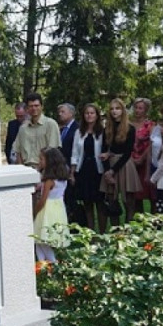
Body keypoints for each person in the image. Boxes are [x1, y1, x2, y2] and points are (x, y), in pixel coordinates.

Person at [100, 99, 136, 225]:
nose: (114, 111)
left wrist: (112, 170)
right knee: (112, 200)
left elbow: (128, 152)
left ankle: (129, 230)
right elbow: (103, 151)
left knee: (129, 202)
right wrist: (107, 171)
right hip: (110, 163)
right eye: (112, 109)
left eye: (117, 108)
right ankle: (115, 230)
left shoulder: (130, 128)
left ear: (123, 110)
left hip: (124, 164)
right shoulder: (107, 129)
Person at [70, 104, 106, 232]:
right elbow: (75, 153)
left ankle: (102, 233)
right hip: (83, 169)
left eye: (92, 113)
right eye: (87, 113)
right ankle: (91, 233)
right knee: (87, 203)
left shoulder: (102, 132)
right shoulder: (79, 132)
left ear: (96, 115)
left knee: (100, 204)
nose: (89, 115)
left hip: (98, 170)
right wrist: (72, 173)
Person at [33, 148, 70, 263]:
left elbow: (43, 200)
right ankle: (42, 264)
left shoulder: (49, 181)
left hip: (46, 211)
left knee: (41, 240)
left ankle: (53, 263)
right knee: (38, 241)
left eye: (42, 159)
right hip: (58, 209)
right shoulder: (62, 179)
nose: (39, 161)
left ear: (50, 161)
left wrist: (34, 211)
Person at [13, 93, 61, 168]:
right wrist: (22, 169)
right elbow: (18, 151)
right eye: (31, 106)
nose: (34, 108)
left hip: (45, 169)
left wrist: (41, 169)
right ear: (27, 109)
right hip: (26, 168)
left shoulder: (51, 124)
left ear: (41, 106)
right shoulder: (23, 128)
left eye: (36, 105)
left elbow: (53, 151)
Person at [129, 98, 154, 213]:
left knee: (150, 194)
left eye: (141, 108)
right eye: (136, 107)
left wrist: (142, 158)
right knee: (135, 196)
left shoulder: (150, 125)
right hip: (131, 161)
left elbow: (151, 144)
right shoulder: (129, 124)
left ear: (146, 110)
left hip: (146, 161)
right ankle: (138, 217)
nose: (137, 110)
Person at [57, 103, 80, 223]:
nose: (60, 114)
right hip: (62, 168)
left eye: (63, 112)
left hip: (73, 168)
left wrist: (72, 170)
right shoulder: (61, 129)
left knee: (73, 198)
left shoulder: (77, 128)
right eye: (59, 112)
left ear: (71, 113)